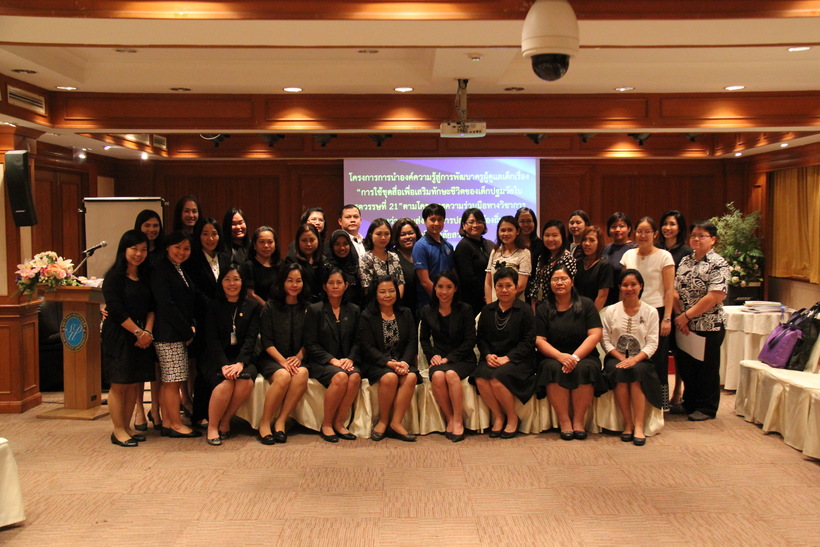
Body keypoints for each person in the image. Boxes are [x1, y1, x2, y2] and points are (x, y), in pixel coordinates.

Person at [535, 265, 605, 440]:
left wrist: (574, 357)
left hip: (583, 355)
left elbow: (595, 334)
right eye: (555, 279)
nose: (559, 283)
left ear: (572, 282)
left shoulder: (586, 304)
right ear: (550, 283)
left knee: (585, 368)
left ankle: (578, 421)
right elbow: (539, 339)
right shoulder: (543, 308)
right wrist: (560, 356)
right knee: (552, 368)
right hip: (553, 355)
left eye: (563, 279)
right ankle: (564, 421)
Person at [102, 230, 156, 447]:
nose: (139, 254)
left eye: (143, 249)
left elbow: (152, 307)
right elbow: (115, 310)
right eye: (134, 249)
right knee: (119, 384)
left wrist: (147, 332)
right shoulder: (113, 277)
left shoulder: (145, 276)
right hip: (120, 335)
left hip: (142, 336)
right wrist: (138, 333)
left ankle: (127, 426)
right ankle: (118, 430)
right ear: (124, 250)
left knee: (134, 384)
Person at [672, 220, 730, 422]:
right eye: (693, 235)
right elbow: (674, 291)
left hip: (708, 324)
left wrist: (687, 316)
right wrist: (680, 316)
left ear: (713, 240)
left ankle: (706, 407)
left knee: (707, 368)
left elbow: (715, 296)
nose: (696, 239)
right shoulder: (685, 260)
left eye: (702, 236)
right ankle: (690, 402)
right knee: (688, 366)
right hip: (684, 324)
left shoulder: (718, 263)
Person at [199, 265, 261, 445]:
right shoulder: (212, 305)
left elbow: (251, 339)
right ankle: (212, 427)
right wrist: (224, 364)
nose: (232, 283)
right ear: (221, 282)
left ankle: (225, 420)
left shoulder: (252, 306)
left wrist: (240, 363)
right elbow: (212, 339)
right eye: (227, 279)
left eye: (236, 279)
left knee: (245, 381)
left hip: (243, 356)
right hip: (217, 357)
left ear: (242, 282)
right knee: (226, 383)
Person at [473, 267, 536, 439]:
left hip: (519, 360)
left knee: (497, 379)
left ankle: (513, 418)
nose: (504, 290)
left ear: (516, 287)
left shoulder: (525, 310)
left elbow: (528, 341)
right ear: (495, 288)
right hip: (493, 358)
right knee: (480, 377)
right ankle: (499, 417)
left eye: (509, 285)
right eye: (500, 286)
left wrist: (508, 358)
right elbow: (481, 339)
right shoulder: (488, 311)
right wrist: (487, 355)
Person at [601, 269, 662, 446]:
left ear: (641, 286)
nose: (629, 288)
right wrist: (621, 358)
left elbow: (652, 343)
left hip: (641, 358)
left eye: (633, 284)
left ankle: (639, 426)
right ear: (619, 287)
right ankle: (627, 424)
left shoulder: (651, 311)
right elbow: (605, 340)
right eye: (625, 285)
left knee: (635, 373)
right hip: (615, 357)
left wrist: (634, 359)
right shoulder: (611, 311)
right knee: (620, 372)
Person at [150, 231, 201, 438]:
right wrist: (186, 330)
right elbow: (166, 305)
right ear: (167, 247)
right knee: (173, 381)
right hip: (168, 333)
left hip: (176, 331)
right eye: (177, 247)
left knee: (171, 380)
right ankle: (175, 425)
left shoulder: (178, 269)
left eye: (186, 248)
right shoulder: (161, 270)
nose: (182, 252)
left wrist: (191, 325)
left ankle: (168, 422)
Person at [620, 217, 675, 409]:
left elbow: (669, 290)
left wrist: (667, 318)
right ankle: (637, 403)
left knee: (657, 359)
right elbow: (624, 285)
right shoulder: (628, 255)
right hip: (631, 310)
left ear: (655, 234)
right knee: (633, 356)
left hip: (657, 312)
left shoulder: (664, 256)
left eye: (647, 231)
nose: (643, 235)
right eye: (639, 231)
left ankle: (659, 404)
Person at [303, 268, 362, 442]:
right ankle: (327, 424)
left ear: (346, 286)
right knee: (341, 377)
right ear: (324, 286)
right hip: (322, 362)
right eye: (331, 283)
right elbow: (310, 343)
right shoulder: (315, 310)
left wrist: (350, 358)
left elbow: (359, 341)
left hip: (347, 361)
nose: (335, 286)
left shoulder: (354, 310)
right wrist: (332, 360)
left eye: (339, 283)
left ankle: (339, 422)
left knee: (355, 376)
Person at [359, 275, 420, 442]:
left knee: (411, 377)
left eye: (391, 291)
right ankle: (383, 421)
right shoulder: (367, 315)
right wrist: (388, 363)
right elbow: (367, 347)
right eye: (382, 292)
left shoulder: (405, 313)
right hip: (377, 363)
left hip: (401, 361)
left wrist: (404, 362)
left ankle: (396, 423)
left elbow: (412, 341)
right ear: (375, 293)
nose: (388, 295)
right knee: (390, 378)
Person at [183, 217, 231, 428]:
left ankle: (218, 412)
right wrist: (212, 305)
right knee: (204, 368)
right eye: (205, 234)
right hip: (202, 319)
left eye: (214, 233)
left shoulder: (225, 257)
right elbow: (193, 291)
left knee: (220, 365)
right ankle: (199, 413)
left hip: (224, 319)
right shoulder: (192, 260)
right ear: (198, 236)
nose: (210, 238)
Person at [255, 262, 310, 444]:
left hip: (297, 358)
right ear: (282, 282)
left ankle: (281, 421)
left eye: (298, 281)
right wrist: (282, 361)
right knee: (284, 376)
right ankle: (264, 423)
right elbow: (266, 341)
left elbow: (310, 339)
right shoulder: (270, 307)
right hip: (272, 357)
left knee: (302, 373)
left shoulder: (307, 307)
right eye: (290, 280)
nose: (294, 285)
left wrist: (299, 357)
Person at [419, 271, 477, 442]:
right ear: (435, 288)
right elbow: (424, 339)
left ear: (455, 288)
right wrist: (433, 356)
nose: (444, 292)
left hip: (462, 358)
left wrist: (449, 358)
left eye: (449, 287)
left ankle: (458, 420)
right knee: (437, 375)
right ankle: (450, 417)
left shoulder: (465, 309)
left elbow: (470, 340)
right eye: (440, 287)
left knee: (451, 374)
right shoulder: (427, 310)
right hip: (439, 357)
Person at [132, 209, 164, 429]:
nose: (152, 230)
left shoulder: (163, 251)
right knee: (140, 366)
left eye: (155, 226)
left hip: (159, 313)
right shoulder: (134, 251)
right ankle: (138, 410)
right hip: (138, 313)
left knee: (157, 366)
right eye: (147, 225)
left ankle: (156, 408)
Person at [657, 209, 693, 405]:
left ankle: (678, 390)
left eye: (672, 224)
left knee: (679, 352)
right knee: (661, 352)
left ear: (680, 228)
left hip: (678, 308)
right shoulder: (656, 248)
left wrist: (678, 313)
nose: (667, 228)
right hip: (658, 306)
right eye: (665, 223)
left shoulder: (686, 252)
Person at [528, 219, 577, 312]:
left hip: (559, 308)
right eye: (547, 235)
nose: (550, 239)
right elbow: (536, 284)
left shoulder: (567, 258)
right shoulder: (543, 257)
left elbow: (567, 288)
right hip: (540, 307)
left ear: (562, 237)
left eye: (555, 235)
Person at [413, 203, 455, 310]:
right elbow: (424, 281)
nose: (436, 223)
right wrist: (440, 299)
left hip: (448, 303)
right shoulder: (420, 246)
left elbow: (453, 273)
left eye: (440, 219)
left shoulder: (448, 246)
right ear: (425, 221)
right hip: (429, 304)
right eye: (432, 219)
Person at [454, 208, 494, 316]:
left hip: (489, 297)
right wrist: (486, 293)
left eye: (479, 221)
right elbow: (468, 279)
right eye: (471, 222)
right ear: (464, 225)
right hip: (473, 301)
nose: (475, 225)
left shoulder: (486, 243)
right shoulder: (464, 246)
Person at [484, 216, 530, 303]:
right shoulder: (495, 251)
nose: (506, 233)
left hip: (515, 304)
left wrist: (504, 302)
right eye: (503, 230)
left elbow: (521, 286)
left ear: (517, 231)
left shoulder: (524, 253)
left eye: (510, 230)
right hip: (494, 304)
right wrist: (490, 305)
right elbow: (488, 283)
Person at [359, 218, 405, 299]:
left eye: (387, 234)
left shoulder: (394, 256)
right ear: (371, 235)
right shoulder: (365, 258)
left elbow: (400, 282)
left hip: (395, 302)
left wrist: (396, 301)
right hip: (374, 303)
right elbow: (367, 287)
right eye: (378, 234)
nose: (383, 238)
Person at [602, 212, 638, 306]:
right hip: (606, 296)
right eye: (613, 227)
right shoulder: (605, 248)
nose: (617, 229)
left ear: (629, 228)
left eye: (622, 226)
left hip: (626, 296)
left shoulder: (635, 248)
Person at [574, 225, 613, 311]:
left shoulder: (604, 266)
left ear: (599, 243)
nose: (587, 243)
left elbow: (602, 297)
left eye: (592, 240)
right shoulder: (578, 262)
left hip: (597, 312)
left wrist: (591, 315)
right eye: (584, 240)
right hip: (578, 309)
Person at [286, 223, 326, 303]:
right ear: (298, 241)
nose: (308, 244)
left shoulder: (323, 261)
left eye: (312, 240)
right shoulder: (291, 261)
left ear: (318, 240)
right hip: (299, 303)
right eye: (304, 240)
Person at [391, 217, 422, 320]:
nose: (408, 237)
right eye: (403, 235)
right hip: (401, 312)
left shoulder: (422, 253)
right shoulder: (392, 257)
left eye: (411, 233)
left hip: (422, 309)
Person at [244, 226, 281, 306]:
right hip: (258, 309)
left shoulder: (281, 264)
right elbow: (250, 294)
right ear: (254, 245)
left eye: (270, 242)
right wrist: (268, 309)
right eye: (261, 242)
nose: (266, 245)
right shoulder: (248, 266)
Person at [325, 229, 363, 307]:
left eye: (345, 244)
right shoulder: (326, 268)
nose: (342, 248)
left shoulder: (355, 265)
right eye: (337, 244)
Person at [515, 207, 542, 280]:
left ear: (534, 223)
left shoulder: (542, 245)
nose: (526, 224)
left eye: (529, 221)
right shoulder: (512, 245)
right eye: (522, 221)